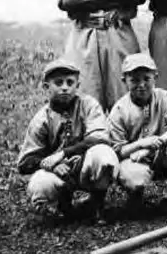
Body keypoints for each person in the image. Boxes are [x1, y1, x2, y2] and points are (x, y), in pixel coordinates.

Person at [17, 59, 118, 220]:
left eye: (70, 82)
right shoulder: (41, 119)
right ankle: (62, 206)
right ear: (46, 87)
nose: (65, 87)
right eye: (58, 83)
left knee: (104, 155)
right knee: (40, 183)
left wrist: (63, 153)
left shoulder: (89, 105)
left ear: (77, 86)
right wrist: (53, 165)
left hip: (85, 164)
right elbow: (25, 163)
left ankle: (97, 203)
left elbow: (100, 138)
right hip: (58, 172)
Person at [108, 54, 167, 220]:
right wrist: (141, 144)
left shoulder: (165, 97)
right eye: (134, 80)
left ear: (155, 78)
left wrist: (159, 142)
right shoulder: (119, 109)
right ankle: (135, 199)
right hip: (135, 159)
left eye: (146, 79)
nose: (141, 85)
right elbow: (117, 150)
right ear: (124, 80)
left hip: (163, 154)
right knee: (134, 177)